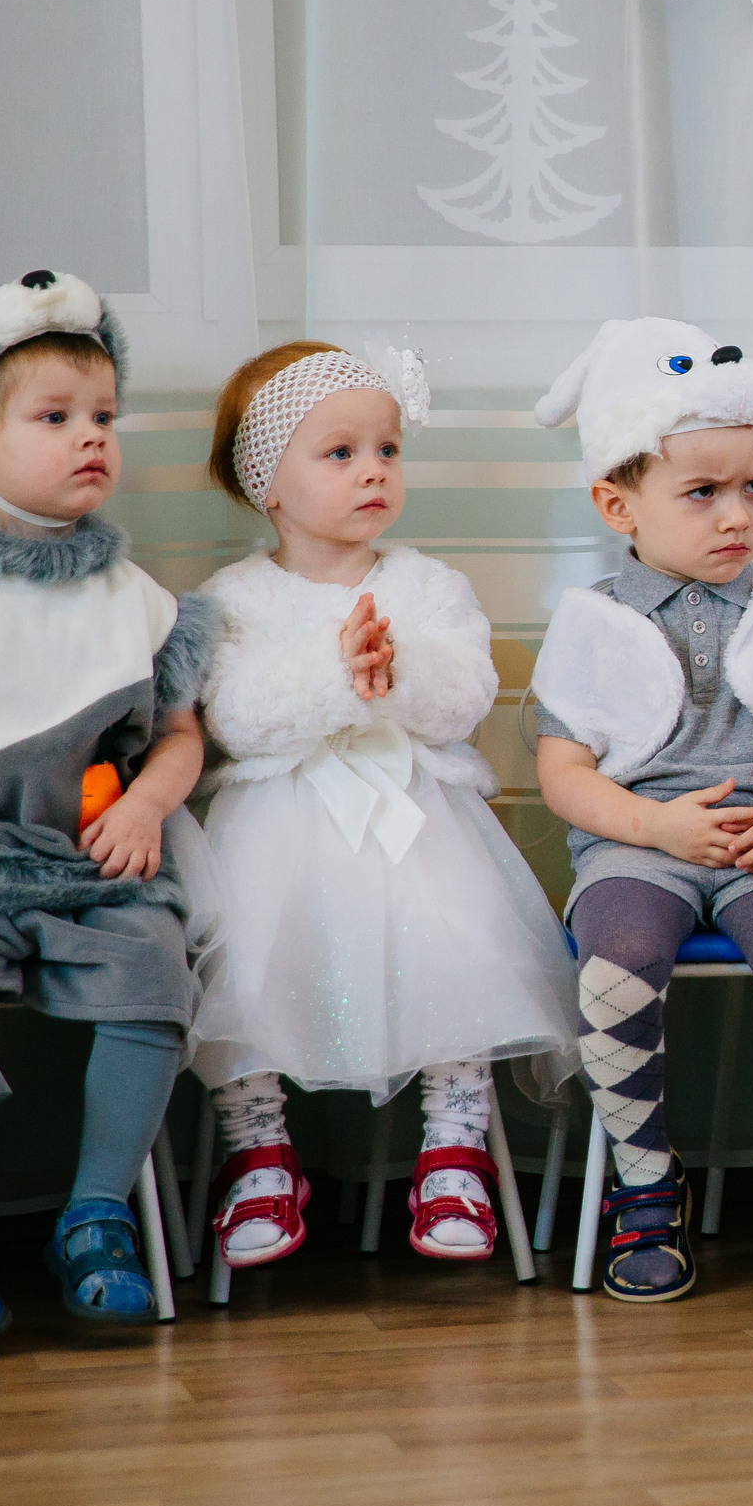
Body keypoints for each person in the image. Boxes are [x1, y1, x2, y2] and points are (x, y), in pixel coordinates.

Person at [190, 341, 580, 1271]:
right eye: (340, 452)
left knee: (459, 942)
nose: (373, 469)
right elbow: (236, 718)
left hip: (418, 819)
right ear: (267, 484)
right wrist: (335, 673)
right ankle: (258, 1148)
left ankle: (454, 1145)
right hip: (278, 822)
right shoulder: (230, 599)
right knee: (245, 957)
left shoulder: (427, 584)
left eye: (388, 450)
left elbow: (466, 697)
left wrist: (394, 672)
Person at [0, 270, 220, 1356]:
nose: (92, 439)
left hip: (89, 860)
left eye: (103, 418)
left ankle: (97, 1212)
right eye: (55, 419)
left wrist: (147, 803)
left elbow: (180, 732)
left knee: (154, 970)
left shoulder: (131, 596)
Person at [530, 317, 753, 1313]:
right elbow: (565, 772)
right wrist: (655, 830)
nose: (737, 516)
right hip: (643, 847)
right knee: (616, 960)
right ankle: (646, 1187)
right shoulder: (593, 622)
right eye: (702, 493)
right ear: (616, 503)